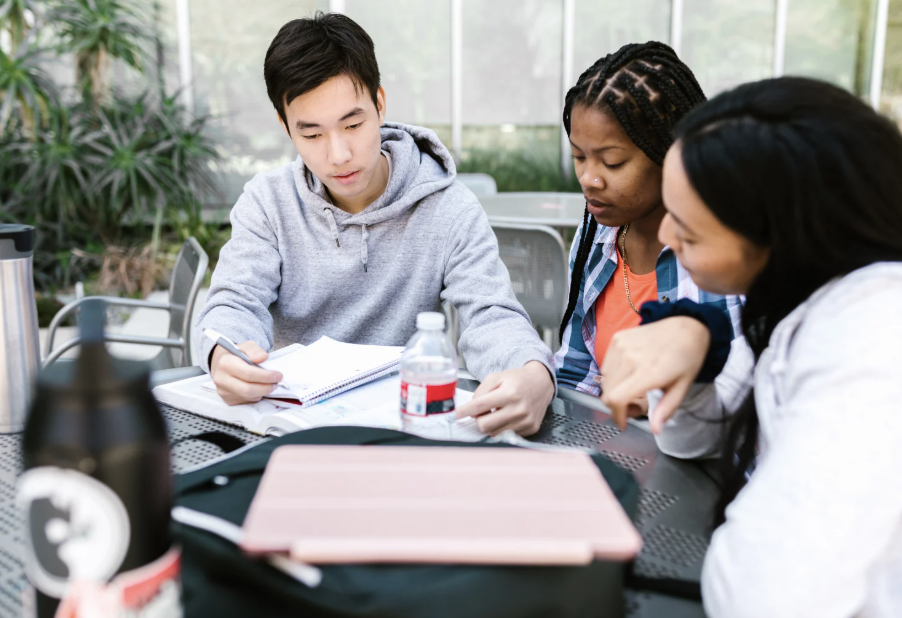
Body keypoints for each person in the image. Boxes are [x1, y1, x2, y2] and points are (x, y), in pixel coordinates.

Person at [602, 77, 902, 618]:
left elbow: (771, 592)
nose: (666, 237)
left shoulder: (871, 343)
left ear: (784, 235)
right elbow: (692, 440)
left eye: (689, 231)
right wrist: (698, 349)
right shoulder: (792, 300)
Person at [194, 12, 554, 436]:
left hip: (402, 428)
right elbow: (233, 304)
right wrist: (225, 354)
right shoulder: (267, 203)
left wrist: (533, 373)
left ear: (380, 104)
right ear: (285, 126)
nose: (339, 155)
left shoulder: (448, 208)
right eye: (312, 135)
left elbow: (491, 315)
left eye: (353, 124)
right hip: (292, 428)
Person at [554, 42, 743, 405]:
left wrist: (657, 400)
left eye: (612, 162)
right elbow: (576, 374)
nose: (589, 178)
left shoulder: (728, 250)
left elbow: (746, 392)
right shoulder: (596, 235)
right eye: (579, 156)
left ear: (671, 153)